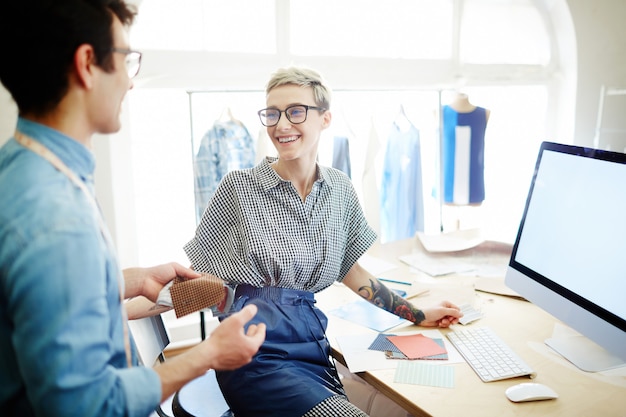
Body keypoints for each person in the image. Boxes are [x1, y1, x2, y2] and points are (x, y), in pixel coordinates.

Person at [0, 1, 265, 416]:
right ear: (87, 63)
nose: (130, 82)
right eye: (126, 59)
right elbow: (86, 405)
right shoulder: (57, 216)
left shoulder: (23, 169)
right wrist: (208, 354)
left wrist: (130, 280)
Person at [183, 66, 463, 417]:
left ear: (325, 118)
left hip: (313, 351)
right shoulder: (238, 188)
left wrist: (418, 314)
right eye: (272, 113)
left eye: (295, 111)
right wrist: (122, 303)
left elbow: (353, 272)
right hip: (253, 359)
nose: (281, 125)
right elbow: (198, 279)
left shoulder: (339, 189)